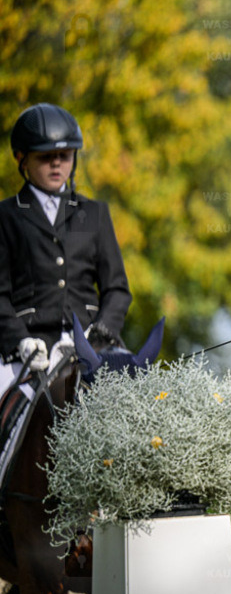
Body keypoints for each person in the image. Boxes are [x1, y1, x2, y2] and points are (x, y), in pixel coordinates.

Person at [0, 103, 131, 396]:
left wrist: (98, 333)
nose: (57, 164)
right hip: (28, 351)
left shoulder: (93, 214)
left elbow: (117, 290)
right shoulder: (6, 217)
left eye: (64, 156)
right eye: (46, 157)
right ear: (22, 159)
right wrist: (19, 340)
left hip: (92, 348)